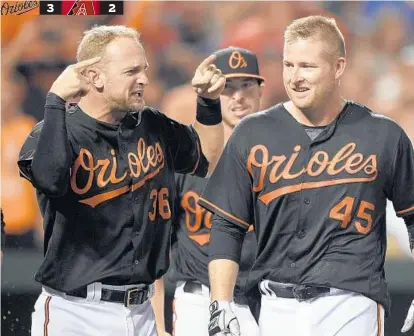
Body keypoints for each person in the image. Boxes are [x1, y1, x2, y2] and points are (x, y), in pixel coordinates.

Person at [197, 15, 414, 336]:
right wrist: (221, 303)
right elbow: (228, 226)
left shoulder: (383, 134)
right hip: (274, 306)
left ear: (339, 67)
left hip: (351, 304)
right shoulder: (253, 133)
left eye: (307, 66)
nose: (295, 77)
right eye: (288, 65)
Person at [18, 25, 226, 336]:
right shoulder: (55, 130)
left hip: (141, 312)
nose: (143, 78)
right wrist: (56, 100)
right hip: (75, 312)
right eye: (131, 71)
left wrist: (209, 103)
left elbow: (206, 160)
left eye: (144, 70)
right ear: (95, 77)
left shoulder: (154, 125)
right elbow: (50, 179)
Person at [155, 47, 265, 336]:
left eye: (246, 85)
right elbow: (152, 248)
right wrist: (158, 324)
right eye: (227, 87)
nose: (238, 96)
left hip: (261, 304)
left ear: (260, 91)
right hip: (197, 302)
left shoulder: (280, 163)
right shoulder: (184, 164)